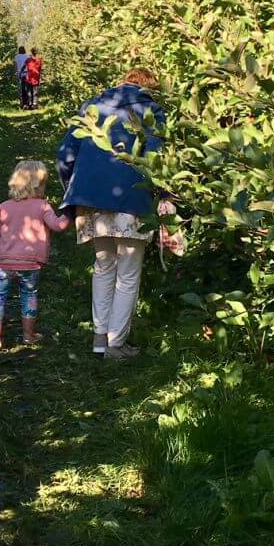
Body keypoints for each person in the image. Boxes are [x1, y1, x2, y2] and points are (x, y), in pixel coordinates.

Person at [56, 68, 176, 360]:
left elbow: (65, 154)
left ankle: (99, 339)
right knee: (129, 270)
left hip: (89, 197)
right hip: (132, 196)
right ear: (149, 87)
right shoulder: (151, 110)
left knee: (104, 265)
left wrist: (74, 188)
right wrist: (164, 194)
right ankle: (116, 343)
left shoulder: (91, 107)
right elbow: (157, 157)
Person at [0, 160, 69, 351]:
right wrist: (72, 210)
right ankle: (29, 335)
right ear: (39, 184)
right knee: (28, 295)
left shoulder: (4, 207)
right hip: (30, 264)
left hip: (3, 264)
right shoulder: (42, 206)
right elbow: (58, 225)